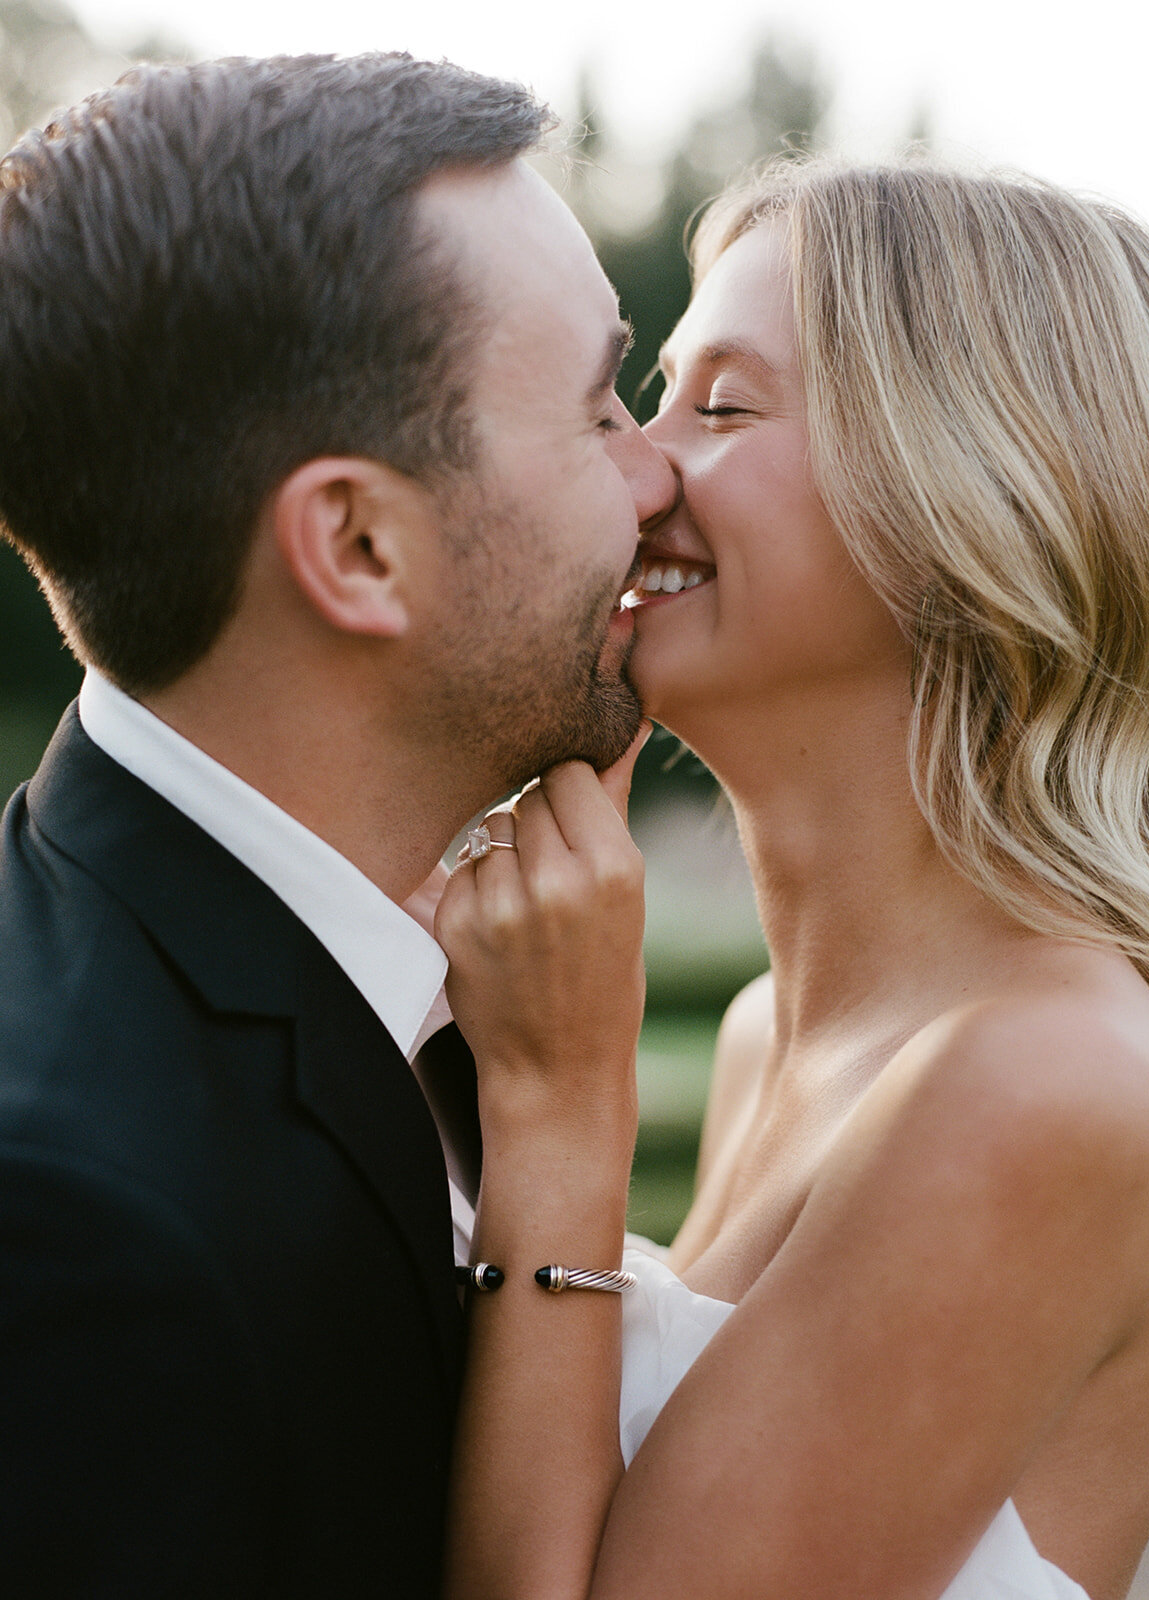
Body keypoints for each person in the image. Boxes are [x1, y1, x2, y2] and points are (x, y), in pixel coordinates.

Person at [436, 157, 1149, 1600]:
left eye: (720, 408)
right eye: (654, 397)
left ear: (974, 496)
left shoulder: (1047, 1084)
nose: (636, 466)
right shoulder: (765, 1032)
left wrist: (559, 1116)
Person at [0, 53, 673, 1596]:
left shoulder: (437, 981)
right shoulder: (71, 1232)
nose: (657, 475)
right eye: (597, 411)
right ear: (360, 545)